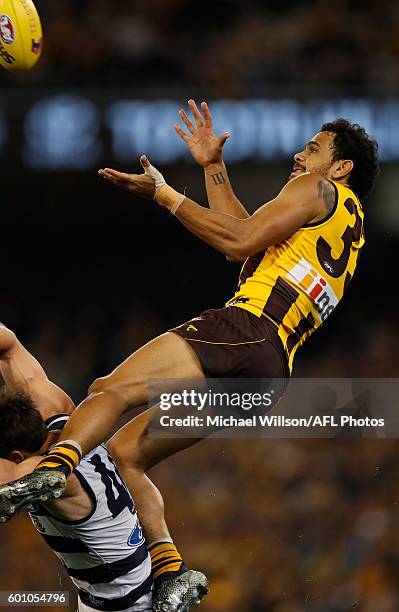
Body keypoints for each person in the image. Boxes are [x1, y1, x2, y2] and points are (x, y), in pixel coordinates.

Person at [0, 99, 379, 592]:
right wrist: (213, 167)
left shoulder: (316, 186)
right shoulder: (350, 225)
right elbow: (240, 238)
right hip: (270, 371)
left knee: (109, 389)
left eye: (313, 148)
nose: (300, 156)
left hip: (245, 329)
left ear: (341, 166)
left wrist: (164, 195)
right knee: (127, 453)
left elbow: (238, 240)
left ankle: (52, 469)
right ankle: (171, 571)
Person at [0, 324, 207, 612]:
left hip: (125, 607)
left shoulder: (41, 476)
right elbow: (8, 344)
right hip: (131, 590)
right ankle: (169, 562)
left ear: (16, 455)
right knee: (127, 460)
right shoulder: (66, 416)